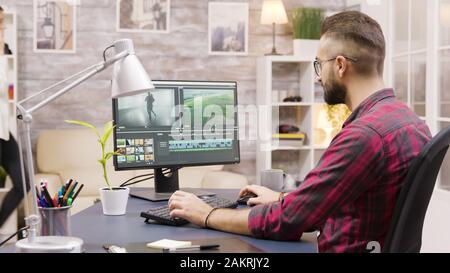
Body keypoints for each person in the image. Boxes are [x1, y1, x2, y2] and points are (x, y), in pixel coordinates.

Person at [167, 11, 432, 253]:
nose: (317, 77)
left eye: (319, 64)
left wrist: (206, 214)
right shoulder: (410, 122)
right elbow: (343, 196)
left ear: (340, 65)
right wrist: (285, 198)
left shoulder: (364, 136)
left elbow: (289, 221)